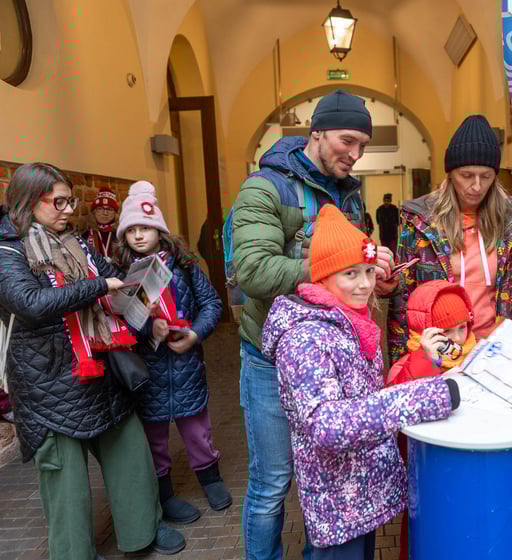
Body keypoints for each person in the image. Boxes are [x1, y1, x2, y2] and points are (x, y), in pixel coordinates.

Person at [230, 89, 397, 559]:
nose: (356, 154)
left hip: (333, 355)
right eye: (348, 140)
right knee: (272, 482)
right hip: (269, 358)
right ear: (316, 132)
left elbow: (349, 273)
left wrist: (370, 274)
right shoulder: (263, 188)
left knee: (327, 477)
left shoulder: (350, 192)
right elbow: (253, 272)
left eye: (363, 145)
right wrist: (336, 266)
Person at [0, 163, 185, 559]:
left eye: (71, 200)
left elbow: (114, 275)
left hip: (101, 368)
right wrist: (99, 286)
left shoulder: (77, 244)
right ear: (30, 201)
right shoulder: (8, 251)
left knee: (131, 454)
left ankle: (143, 530)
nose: (69, 210)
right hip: (47, 381)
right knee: (65, 481)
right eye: (60, 202)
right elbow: (31, 305)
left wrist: (138, 281)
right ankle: (73, 553)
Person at [261, 204, 459, 560]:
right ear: (321, 278)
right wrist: (424, 398)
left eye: (369, 271)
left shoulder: (350, 322)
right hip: (337, 501)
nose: (365, 284)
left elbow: (367, 399)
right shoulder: (305, 338)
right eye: (350, 274)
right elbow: (328, 424)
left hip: (357, 495)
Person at [387, 114, 512, 365]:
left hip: (499, 353)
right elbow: (402, 296)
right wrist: (404, 363)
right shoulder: (419, 221)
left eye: (486, 176)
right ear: (451, 174)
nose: (476, 186)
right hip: (440, 353)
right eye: (467, 175)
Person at [114, 181, 229, 525]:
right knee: (155, 439)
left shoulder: (185, 264)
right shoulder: (119, 273)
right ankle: (163, 494)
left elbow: (210, 303)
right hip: (146, 369)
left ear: (159, 230)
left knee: (197, 429)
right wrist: (148, 329)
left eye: (145, 228)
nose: (138, 236)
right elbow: (118, 318)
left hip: (185, 363)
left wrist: (195, 334)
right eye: (131, 229)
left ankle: (211, 478)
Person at [385, 279, 474, 560]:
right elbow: (397, 404)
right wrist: (427, 361)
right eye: (447, 331)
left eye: (463, 327)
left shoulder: (475, 355)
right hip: (426, 472)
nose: (458, 338)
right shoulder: (409, 364)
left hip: (464, 465)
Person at [83, 186, 120, 262]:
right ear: (94, 212)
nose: (105, 213)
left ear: (115, 213)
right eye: (100, 208)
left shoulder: (120, 236)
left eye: (109, 209)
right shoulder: (85, 236)